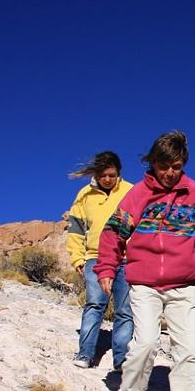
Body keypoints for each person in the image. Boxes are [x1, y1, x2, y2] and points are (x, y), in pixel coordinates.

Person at [94, 130, 195, 391]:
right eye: (163, 165)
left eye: (176, 166)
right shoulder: (137, 195)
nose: (169, 173)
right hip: (145, 284)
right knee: (145, 343)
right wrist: (106, 269)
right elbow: (113, 234)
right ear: (153, 163)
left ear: (183, 164)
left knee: (188, 350)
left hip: (185, 286)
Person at [66, 151, 134, 370]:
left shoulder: (130, 191)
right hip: (95, 257)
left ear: (119, 173)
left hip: (125, 258)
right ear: (96, 174)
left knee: (125, 310)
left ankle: (120, 359)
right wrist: (77, 257)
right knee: (94, 305)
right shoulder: (84, 195)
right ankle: (85, 354)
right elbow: (75, 229)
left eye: (112, 175)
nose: (107, 179)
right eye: (103, 175)